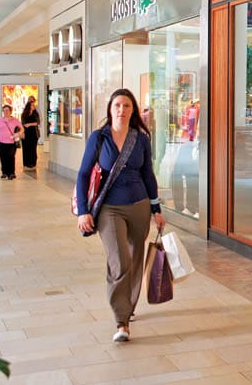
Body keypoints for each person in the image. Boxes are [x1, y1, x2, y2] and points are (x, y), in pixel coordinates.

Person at [75, 88, 165, 343]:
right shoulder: (99, 137)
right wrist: (83, 211)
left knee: (135, 259)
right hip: (109, 208)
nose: (121, 110)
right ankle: (121, 321)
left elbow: (148, 175)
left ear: (132, 110)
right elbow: (83, 174)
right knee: (120, 261)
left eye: (126, 106)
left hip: (139, 205)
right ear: (110, 109)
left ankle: (129, 306)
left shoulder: (141, 139)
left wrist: (156, 209)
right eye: (117, 105)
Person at [0, 104, 23, 179]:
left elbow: (22, 129)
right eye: (4, 110)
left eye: (7, 110)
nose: (5, 112)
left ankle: (11, 173)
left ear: (10, 111)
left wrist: (18, 134)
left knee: (11, 157)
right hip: (1, 142)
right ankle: (4, 172)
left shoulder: (15, 120)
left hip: (12, 142)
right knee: (3, 157)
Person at [20, 95, 41, 169]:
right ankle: (26, 163)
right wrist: (22, 132)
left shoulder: (36, 113)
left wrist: (29, 124)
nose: (33, 106)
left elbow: (38, 122)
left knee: (33, 148)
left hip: (34, 133)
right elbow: (22, 124)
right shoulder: (24, 114)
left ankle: (33, 163)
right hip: (25, 133)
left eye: (33, 105)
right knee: (26, 148)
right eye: (32, 105)